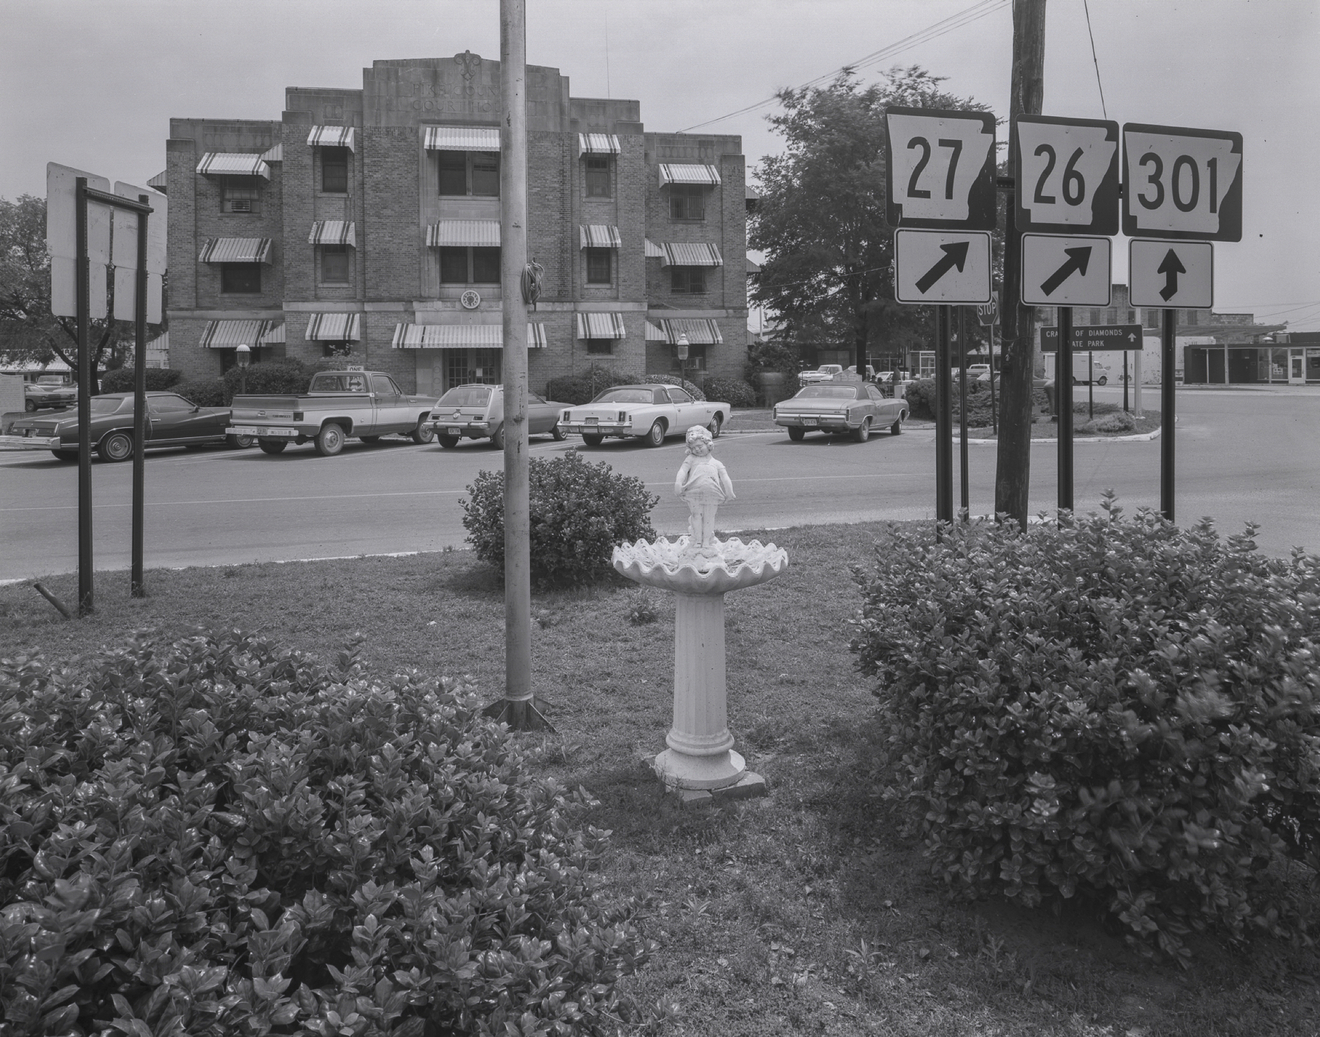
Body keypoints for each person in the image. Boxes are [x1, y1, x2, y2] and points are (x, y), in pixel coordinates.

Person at [674, 425, 735, 554]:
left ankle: (706, 541)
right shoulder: (690, 459)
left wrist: (729, 491)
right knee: (696, 516)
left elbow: (725, 477)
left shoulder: (716, 463)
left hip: (712, 493)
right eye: (693, 448)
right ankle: (697, 540)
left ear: (708, 444)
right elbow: (682, 471)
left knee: (709, 517)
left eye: (700, 446)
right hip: (694, 493)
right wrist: (678, 483)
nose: (697, 449)